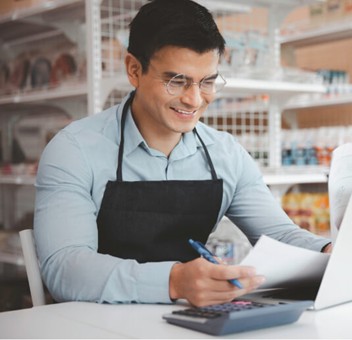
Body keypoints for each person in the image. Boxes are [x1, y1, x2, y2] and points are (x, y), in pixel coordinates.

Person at [33, 0, 331, 307]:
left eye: (207, 83)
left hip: (191, 323)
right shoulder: (74, 150)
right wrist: (174, 281)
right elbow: (65, 268)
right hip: (93, 323)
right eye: (177, 81)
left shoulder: (226, 155)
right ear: (134, 70)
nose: (193, 99)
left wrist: (328, 252)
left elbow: (279, 235)